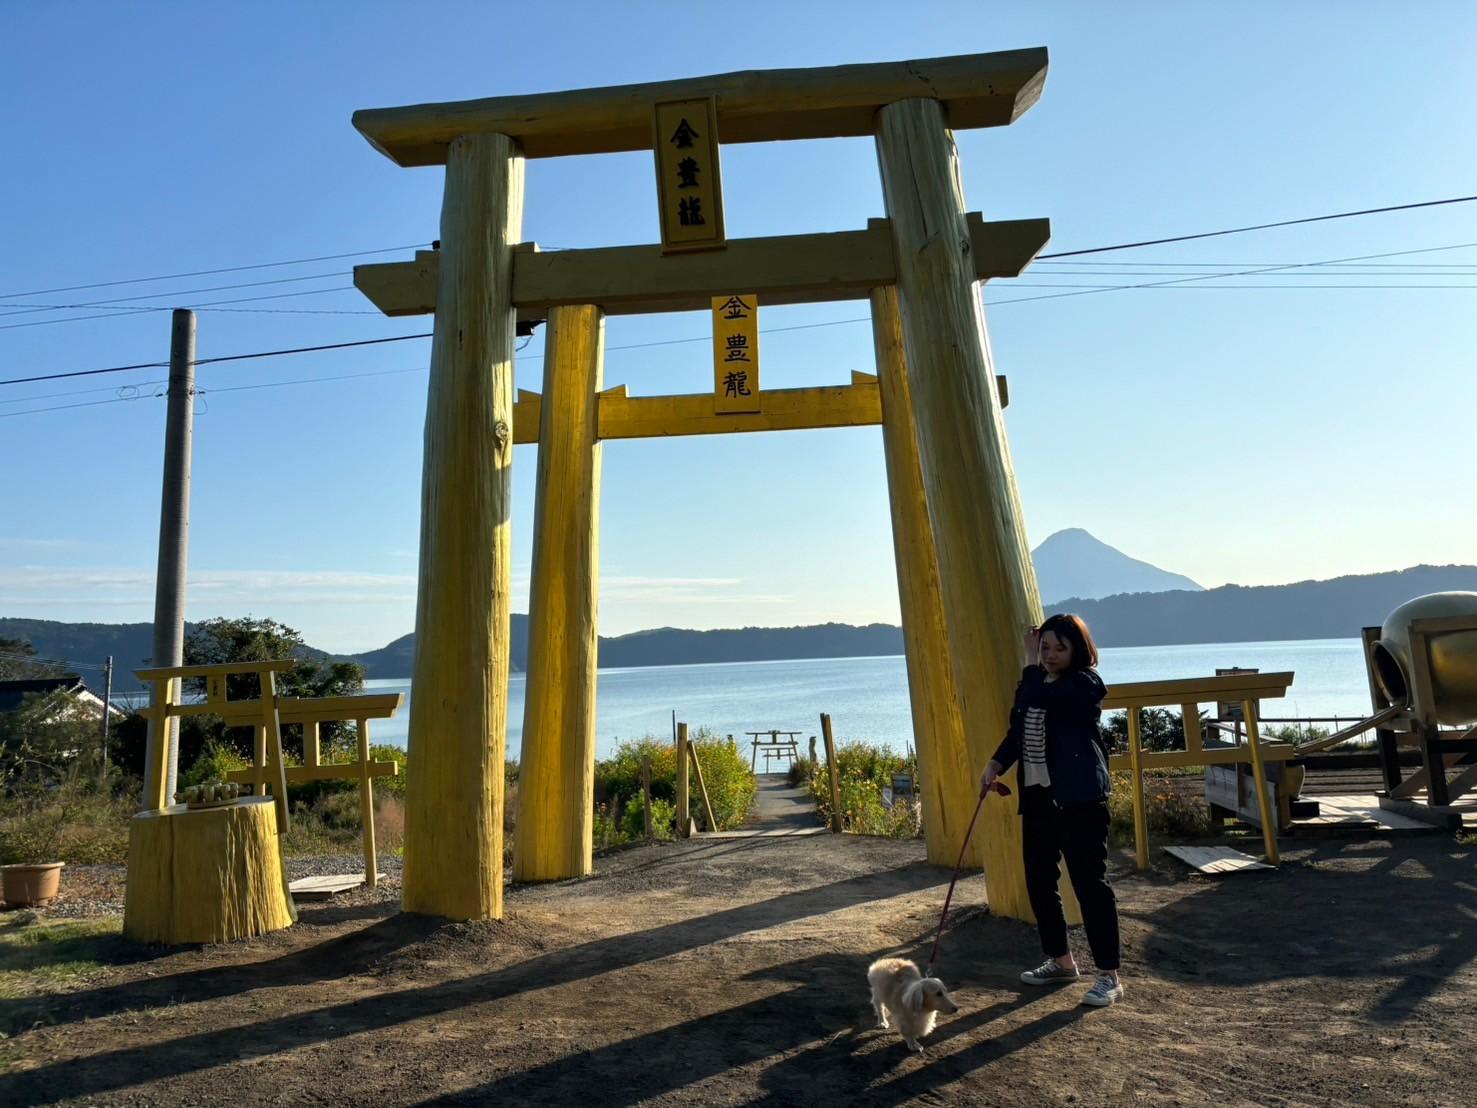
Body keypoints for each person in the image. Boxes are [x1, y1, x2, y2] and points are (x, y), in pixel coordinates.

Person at [979, 613, 1123, 1007]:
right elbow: (1018, 730)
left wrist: (1028, 661)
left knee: (1089, 884)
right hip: (1039, 798)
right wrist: (995, 764)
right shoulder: (1033, 685)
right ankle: (1061, 961)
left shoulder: (1085, 684)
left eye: (1060, 647)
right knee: (1039, 880)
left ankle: (1109, 975)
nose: (1051, 654)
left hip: (1080, 800)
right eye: (1045, 647)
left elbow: (1040, 699)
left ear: (1078, 649)